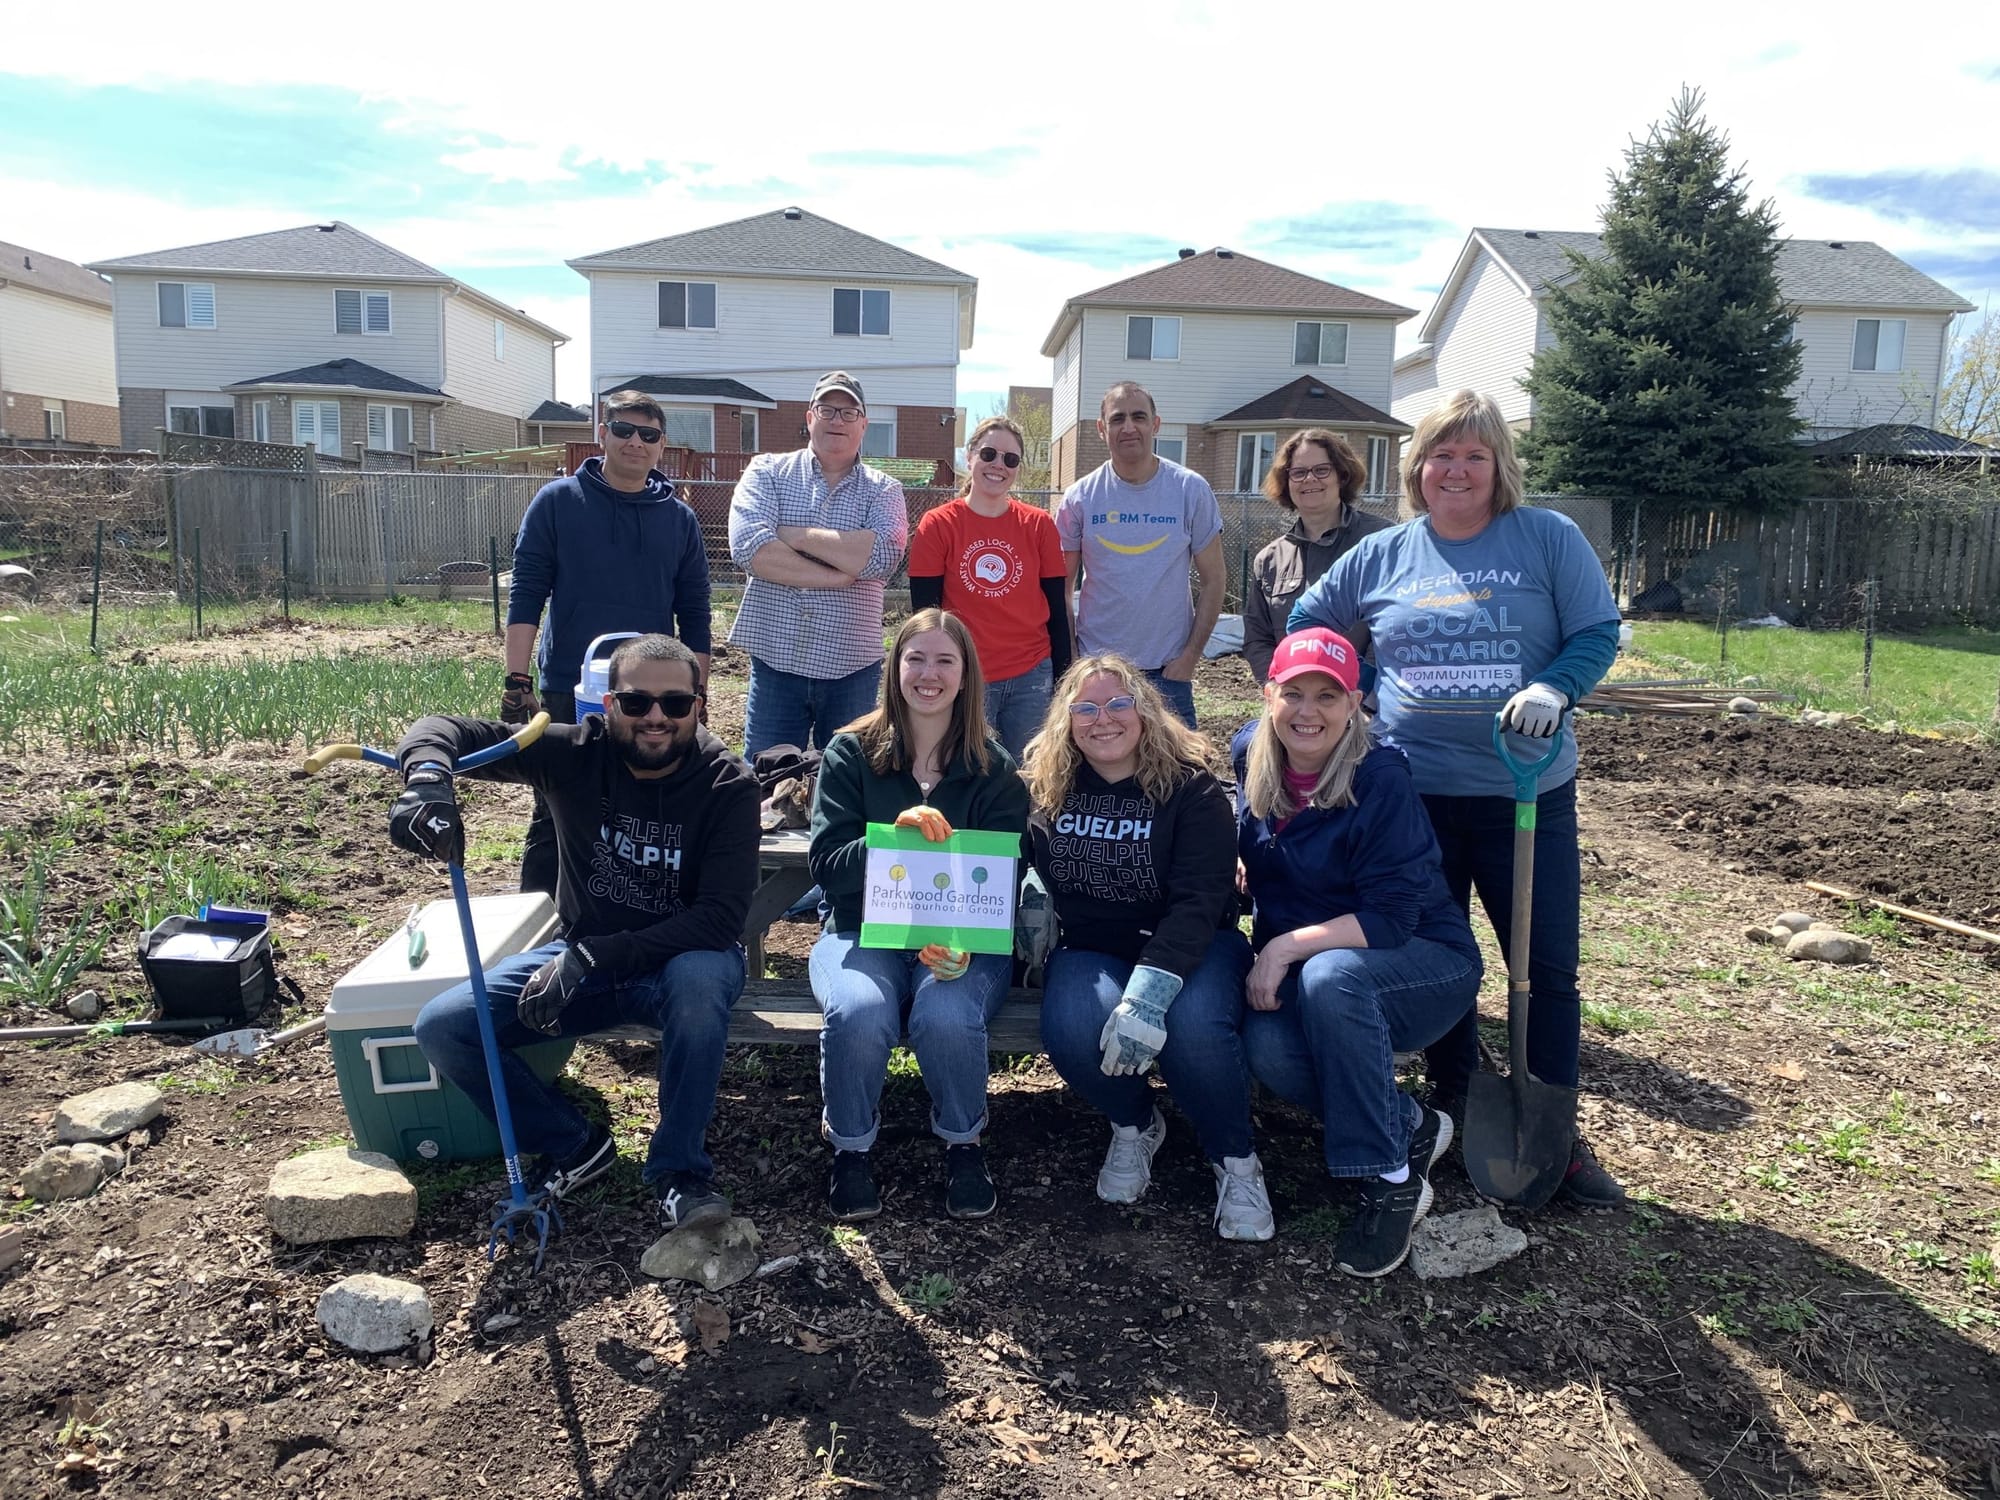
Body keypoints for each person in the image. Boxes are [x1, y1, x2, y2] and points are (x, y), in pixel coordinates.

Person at [1286, 389, 1626, 1207]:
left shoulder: (1546, 537)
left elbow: (1596, 630)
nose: (1456, 470)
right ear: (1417, 468)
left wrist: (1555, 684)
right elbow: (1310, 621)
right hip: (1415, 802)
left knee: (1544, 970)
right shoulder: (1388, 553)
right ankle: (1455, 1106)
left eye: (1474, 455)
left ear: (1499, 465)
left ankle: (1555, 1134)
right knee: (1441, 961)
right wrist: (1355, 692)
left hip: (1524, 796)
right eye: (1441, 455)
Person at [398, 634, 757, 1232]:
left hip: (684, 959)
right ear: (609, 704)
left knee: (698, 983)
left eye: (675, 703)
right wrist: (426, 778)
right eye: (637, 702)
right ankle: (570, 1143)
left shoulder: (727, 782)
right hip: (583, 959)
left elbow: (719, 918)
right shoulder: (572, 752)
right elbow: (444, 728)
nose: (657, 719)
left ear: (701, 704)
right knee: (445, 1026)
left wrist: (595, 955)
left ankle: (679, 1174)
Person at [1233, 628, 1483, 1277]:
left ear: (1355, 705)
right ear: (1269, 696)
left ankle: (1392, 1178)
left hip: (1421, 961)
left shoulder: (1379, 775)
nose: (1307, 711)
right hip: (1324, 965)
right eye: (1294, 693)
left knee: (1332, 978)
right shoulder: (1251, 757)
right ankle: (1410, 1123)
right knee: (1266, 1046)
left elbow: (1393, 918)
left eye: (1328, 695)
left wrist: (1282, 947)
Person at [1020, 656, 1268, 1239]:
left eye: (1116, 704)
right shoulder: (1046, 785)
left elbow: (1201, 900)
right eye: (1084, 707)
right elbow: (1001, 852)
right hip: (1093, 946)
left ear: (1145, 710)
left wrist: (1149, 994)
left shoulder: (1192, 787)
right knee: (1074, 1021)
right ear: (1066, 721)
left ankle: (1236, 1160)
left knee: (1196, 1026)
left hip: (1194, 946)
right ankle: (1135, 1124)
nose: (1101, 719)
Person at [806, 609, 1028, 1222]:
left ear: (966, 675)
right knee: (859, 1009)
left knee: (947, 1013)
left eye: (944, 661)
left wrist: (968, 942)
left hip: (961, 939)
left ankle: (963, 1142)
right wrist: (888, 840)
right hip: (861, 929)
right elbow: (826, 864)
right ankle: (850, 1148)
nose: (928, 674)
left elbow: (1005, 879)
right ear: (894, 668)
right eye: (915, 659)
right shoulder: (851, 752)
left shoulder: (995, 769)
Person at [502, 390, 712, 896]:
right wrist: (516, 678)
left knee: (639, 807)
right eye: (623, 430)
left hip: (650, 694)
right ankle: (539, 922)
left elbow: (696, 614)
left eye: (649, 435)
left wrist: (696, 692)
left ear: (662, 446)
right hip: (568, 685)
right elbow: (527, 593)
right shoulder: (557, 502)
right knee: (556, 805)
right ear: (603, 434)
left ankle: (622, 910)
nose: (635, 443)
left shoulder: (678, 519)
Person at [728, 370, 909, 756]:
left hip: (852, 669)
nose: (837, 421)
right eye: (827, 410)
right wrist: (841, 574)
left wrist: (792, 535)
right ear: (810, 418)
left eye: (848, 412)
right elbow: (750, 548)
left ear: (864, 424)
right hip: (777, 660)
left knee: (848, 784)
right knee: (764, 783)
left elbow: (882, 556)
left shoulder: (885, 490)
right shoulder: (767, 472)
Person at [1054, 383, 1224, 729]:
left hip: (1168, 673)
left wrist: (1189, 658)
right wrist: (1072, 658)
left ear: (1155, 424)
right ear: (1102, 429)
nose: (1128, 427)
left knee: (1177, 778)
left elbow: (1214, 579)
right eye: (1117, 419)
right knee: (1098, 777)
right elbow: (1060, 585)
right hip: (1098, 671)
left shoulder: (1190, 490)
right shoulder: (1080, 498)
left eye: (1138, 417)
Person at [908, 416, 1071, 757]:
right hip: (967, 678)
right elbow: (925, 615)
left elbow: (1057, 608)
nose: (999, 465)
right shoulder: (938, 524)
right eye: (989, 454)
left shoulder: (1038, 524)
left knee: (1028, 776)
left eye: (1010, 459)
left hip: (1031, 676)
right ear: (970, 457)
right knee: (968, 773)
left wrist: (1063, 679)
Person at [1242, 429, 1393, 682]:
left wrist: (1361, 695)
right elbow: (1257, 638)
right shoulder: (1270, 560)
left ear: (1342, 476)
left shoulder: (1382, 541)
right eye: (1298, 473)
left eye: (1322, 470)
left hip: (1365, 705)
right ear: (1286, 482)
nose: (1309, 479)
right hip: (1293, 706)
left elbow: (1392, 629)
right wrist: (1280, 689)